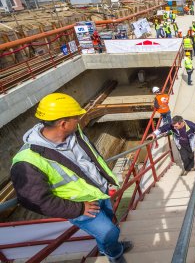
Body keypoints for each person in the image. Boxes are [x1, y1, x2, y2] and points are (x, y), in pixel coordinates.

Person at [10, 93, 133, 263]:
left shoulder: (75, 133)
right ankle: (115, 255)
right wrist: (78, 209)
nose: (80, 119)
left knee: (112, 226)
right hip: (81, 205)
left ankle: (108, 248)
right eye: (76, 117)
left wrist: (105, 181)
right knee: (108, 232)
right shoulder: (28, 161)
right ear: (63, 123)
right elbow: (35, 200)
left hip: (100, 191)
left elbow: (91, 159)